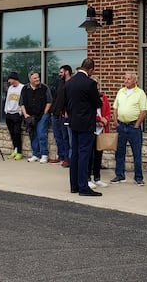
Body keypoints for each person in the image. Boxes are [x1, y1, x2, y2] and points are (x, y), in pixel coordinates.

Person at [64, 58, 103, 196]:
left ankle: (74, 185)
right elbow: (97, 103)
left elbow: (65, 102)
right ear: (91, 69)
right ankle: (83, 187)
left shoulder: (69, 82)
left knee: (74, 153)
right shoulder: (90, 83)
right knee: (84, 154)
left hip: (73, 122)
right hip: (86, 123)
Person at [110, 72, 147, 185]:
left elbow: (144, 110)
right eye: (125, 79)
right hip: (121, 126)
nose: (126, 81)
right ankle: (119, 175)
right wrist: (115, 121)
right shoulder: (121, 92)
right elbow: (115, 108)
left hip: (133, 127)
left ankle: (138, 177)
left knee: (137, 153)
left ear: (135, 81)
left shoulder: (140, 93)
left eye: (128, 79)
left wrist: (137, 124)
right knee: (119, 152)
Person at [20, 71, 52, 163]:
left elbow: (49, 101)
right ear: (30, 79)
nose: (37, 79)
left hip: (42, 115)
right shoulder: (25, 89)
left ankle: (44, 154)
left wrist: (45, 113)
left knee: (41, 134)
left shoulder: (44, 88)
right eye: (35, 78)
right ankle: (36, 154)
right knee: (33, 135)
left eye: (38, 77)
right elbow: (21, 103)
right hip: (30, 115)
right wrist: (26, 115)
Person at [88, 77, 110, 189]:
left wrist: (105, 119)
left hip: (101, 130)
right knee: (89, 155)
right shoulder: (88, 97)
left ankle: (97, 177)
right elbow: (89, 112)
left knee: (98, 155)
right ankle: (88, 177)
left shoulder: (103, 97)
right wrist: (98, 120)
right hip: (92, 129)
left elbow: (107, 111)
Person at [50, 65, 72, 166]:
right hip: (55, 113)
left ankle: (67, 158)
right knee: (57, 137)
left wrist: (67, 111)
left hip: (64, 115)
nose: (60, 74)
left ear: (67, 72)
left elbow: (70, 100)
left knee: (65, 137)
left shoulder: (71, 83)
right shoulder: (60, 83)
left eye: (61, 72)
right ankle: (61, 156)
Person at [4, 71, 25, 160]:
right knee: (12, 133)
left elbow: (23, 101)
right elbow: (7, 99)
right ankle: (15, 150)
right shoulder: (10, 88)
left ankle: (19, 151)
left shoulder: (22, 87)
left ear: (14, 79)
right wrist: (6, 110)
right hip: (9, 113)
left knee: (17, 133)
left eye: (10, 79)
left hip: (17, 113)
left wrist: (20, 111)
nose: (8, 81)